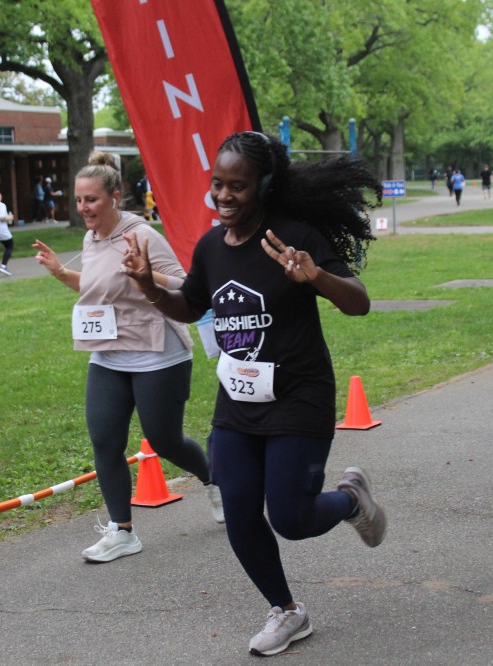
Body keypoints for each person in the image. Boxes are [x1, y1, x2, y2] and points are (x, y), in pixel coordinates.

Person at [121, 131, 387, 657]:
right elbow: (191, 304)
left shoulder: (293, 238)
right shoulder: (210, 247)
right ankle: (287, 611)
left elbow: (358, 303)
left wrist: (316, 276)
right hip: (238, 402)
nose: (223, 195)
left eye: (237, 186)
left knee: (291, 518)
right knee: (240, 511)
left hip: (299, 396)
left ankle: (352, 500)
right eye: (217, 183)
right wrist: (150, 286)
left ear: (264, 185)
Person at [31, 151, 222, 563]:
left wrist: (146, 275)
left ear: (114, 197)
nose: (83, 208)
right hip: (109, 353)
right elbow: (98, 288)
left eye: (92, 200)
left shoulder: (142, 235)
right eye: (79, 200)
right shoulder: (91, 239)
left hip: (157, 353)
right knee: (104, 439)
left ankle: (214, 479)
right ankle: (122, 532)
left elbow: (187, 287)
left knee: (165, 441)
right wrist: (60, 272)